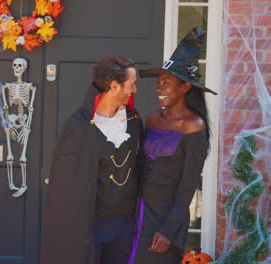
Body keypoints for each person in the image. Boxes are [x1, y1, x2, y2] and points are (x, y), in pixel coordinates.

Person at [40, 56, 144, 264]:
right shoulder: (79, 126)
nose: (135, 90)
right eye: (132, 85)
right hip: (89, 226)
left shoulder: (133, 121)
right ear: (115, 86)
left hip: (123, 226)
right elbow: (67, 185)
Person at [129, 27, 217, 264]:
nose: (159, 88)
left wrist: (168, 230)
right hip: (136, 211)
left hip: (166, 219)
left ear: (185, 87)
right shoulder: (153, 118)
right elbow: (139, 165)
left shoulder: (194, 127)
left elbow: (188, 187)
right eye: (158, 82)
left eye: (166, 83)